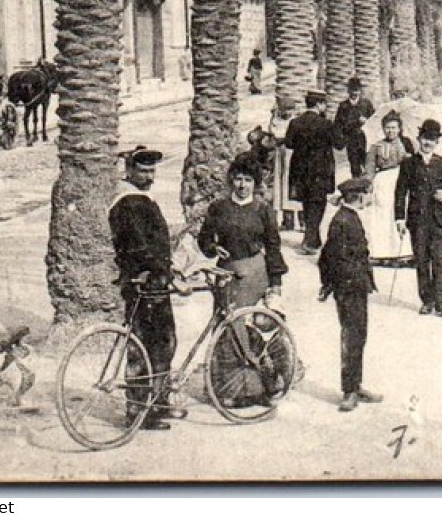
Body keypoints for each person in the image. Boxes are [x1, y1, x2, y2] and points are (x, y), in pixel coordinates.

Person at [108, 147, 180, 430]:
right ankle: (140, 411)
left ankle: (158, 404)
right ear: (129, 171)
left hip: (154, 282)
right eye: (143, 171)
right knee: (146, 346)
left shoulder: (140, 200)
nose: (149, 176)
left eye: (152, 171)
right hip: (143, 283)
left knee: (163, 343)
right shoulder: (129, 203)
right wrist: (168, 271)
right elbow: (139, 247)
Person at [319, 177, 382, 411]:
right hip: (348, 288)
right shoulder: (342, 221)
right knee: (351, 337)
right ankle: (349, 391)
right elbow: (330, 257)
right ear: (359, 196)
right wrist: (333, 285)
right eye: (368, 194)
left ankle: (356, 384)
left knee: (358, 336)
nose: (369, 198)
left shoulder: (349, 217)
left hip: (355, 286)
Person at [198, 156, 286, 312]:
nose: (242, 185)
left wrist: (276, 284)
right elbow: (204, 238)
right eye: (238, 179)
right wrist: (213, 247)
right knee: (225, 322)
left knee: (250, 323)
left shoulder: (263, 210)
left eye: (248, 180)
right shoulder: (218, 207)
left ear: (255, 183)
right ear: (232, 180)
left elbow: (273, 247)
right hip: (227, 272)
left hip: (255, 273)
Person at [395, 119, 442, 317]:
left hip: (440, 221)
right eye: (424, 138)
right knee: (422, 261)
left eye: (431, 139)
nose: (427, 143)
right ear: (419, 139)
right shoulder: (408, 163)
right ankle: (426, 301)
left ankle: (440, 302)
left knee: (440, 261)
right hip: (418, 221)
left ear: (437, 142)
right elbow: (400, 192)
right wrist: (399, 219)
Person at [283, 91, 336, 255]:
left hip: (300, 170)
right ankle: (310, 238)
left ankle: (313, 236)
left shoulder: (295, 122)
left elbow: (289, 144)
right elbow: (339, 144)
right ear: (319, 104)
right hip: (321, 169)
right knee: (318, 203)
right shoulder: (326, 124)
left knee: (307, 202)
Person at [366, 112, 414, 262]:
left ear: (399, 129)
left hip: (402, 179)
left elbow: (415, 164)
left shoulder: (406, 144)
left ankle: (402, 252)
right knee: (383, 215)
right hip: (383, 182)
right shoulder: (377, 146)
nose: (390, 131)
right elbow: (370, 168)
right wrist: (368, 185)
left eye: (394, 128)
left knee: (400, 212)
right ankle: (382, 252)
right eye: (387, 128)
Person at [333, 78, 375, 180]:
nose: (354, 92)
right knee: (354, 165)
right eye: (352, 90)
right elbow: (338, 125)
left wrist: (367, 121)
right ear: (348, 91)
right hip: (351, 140)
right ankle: (357, 188)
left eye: (357, 90)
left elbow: (375, 120)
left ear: (360, 90)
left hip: (366, 139)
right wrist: (341, 140)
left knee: (368, 164)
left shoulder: (366, 104)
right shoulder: (343, 106)